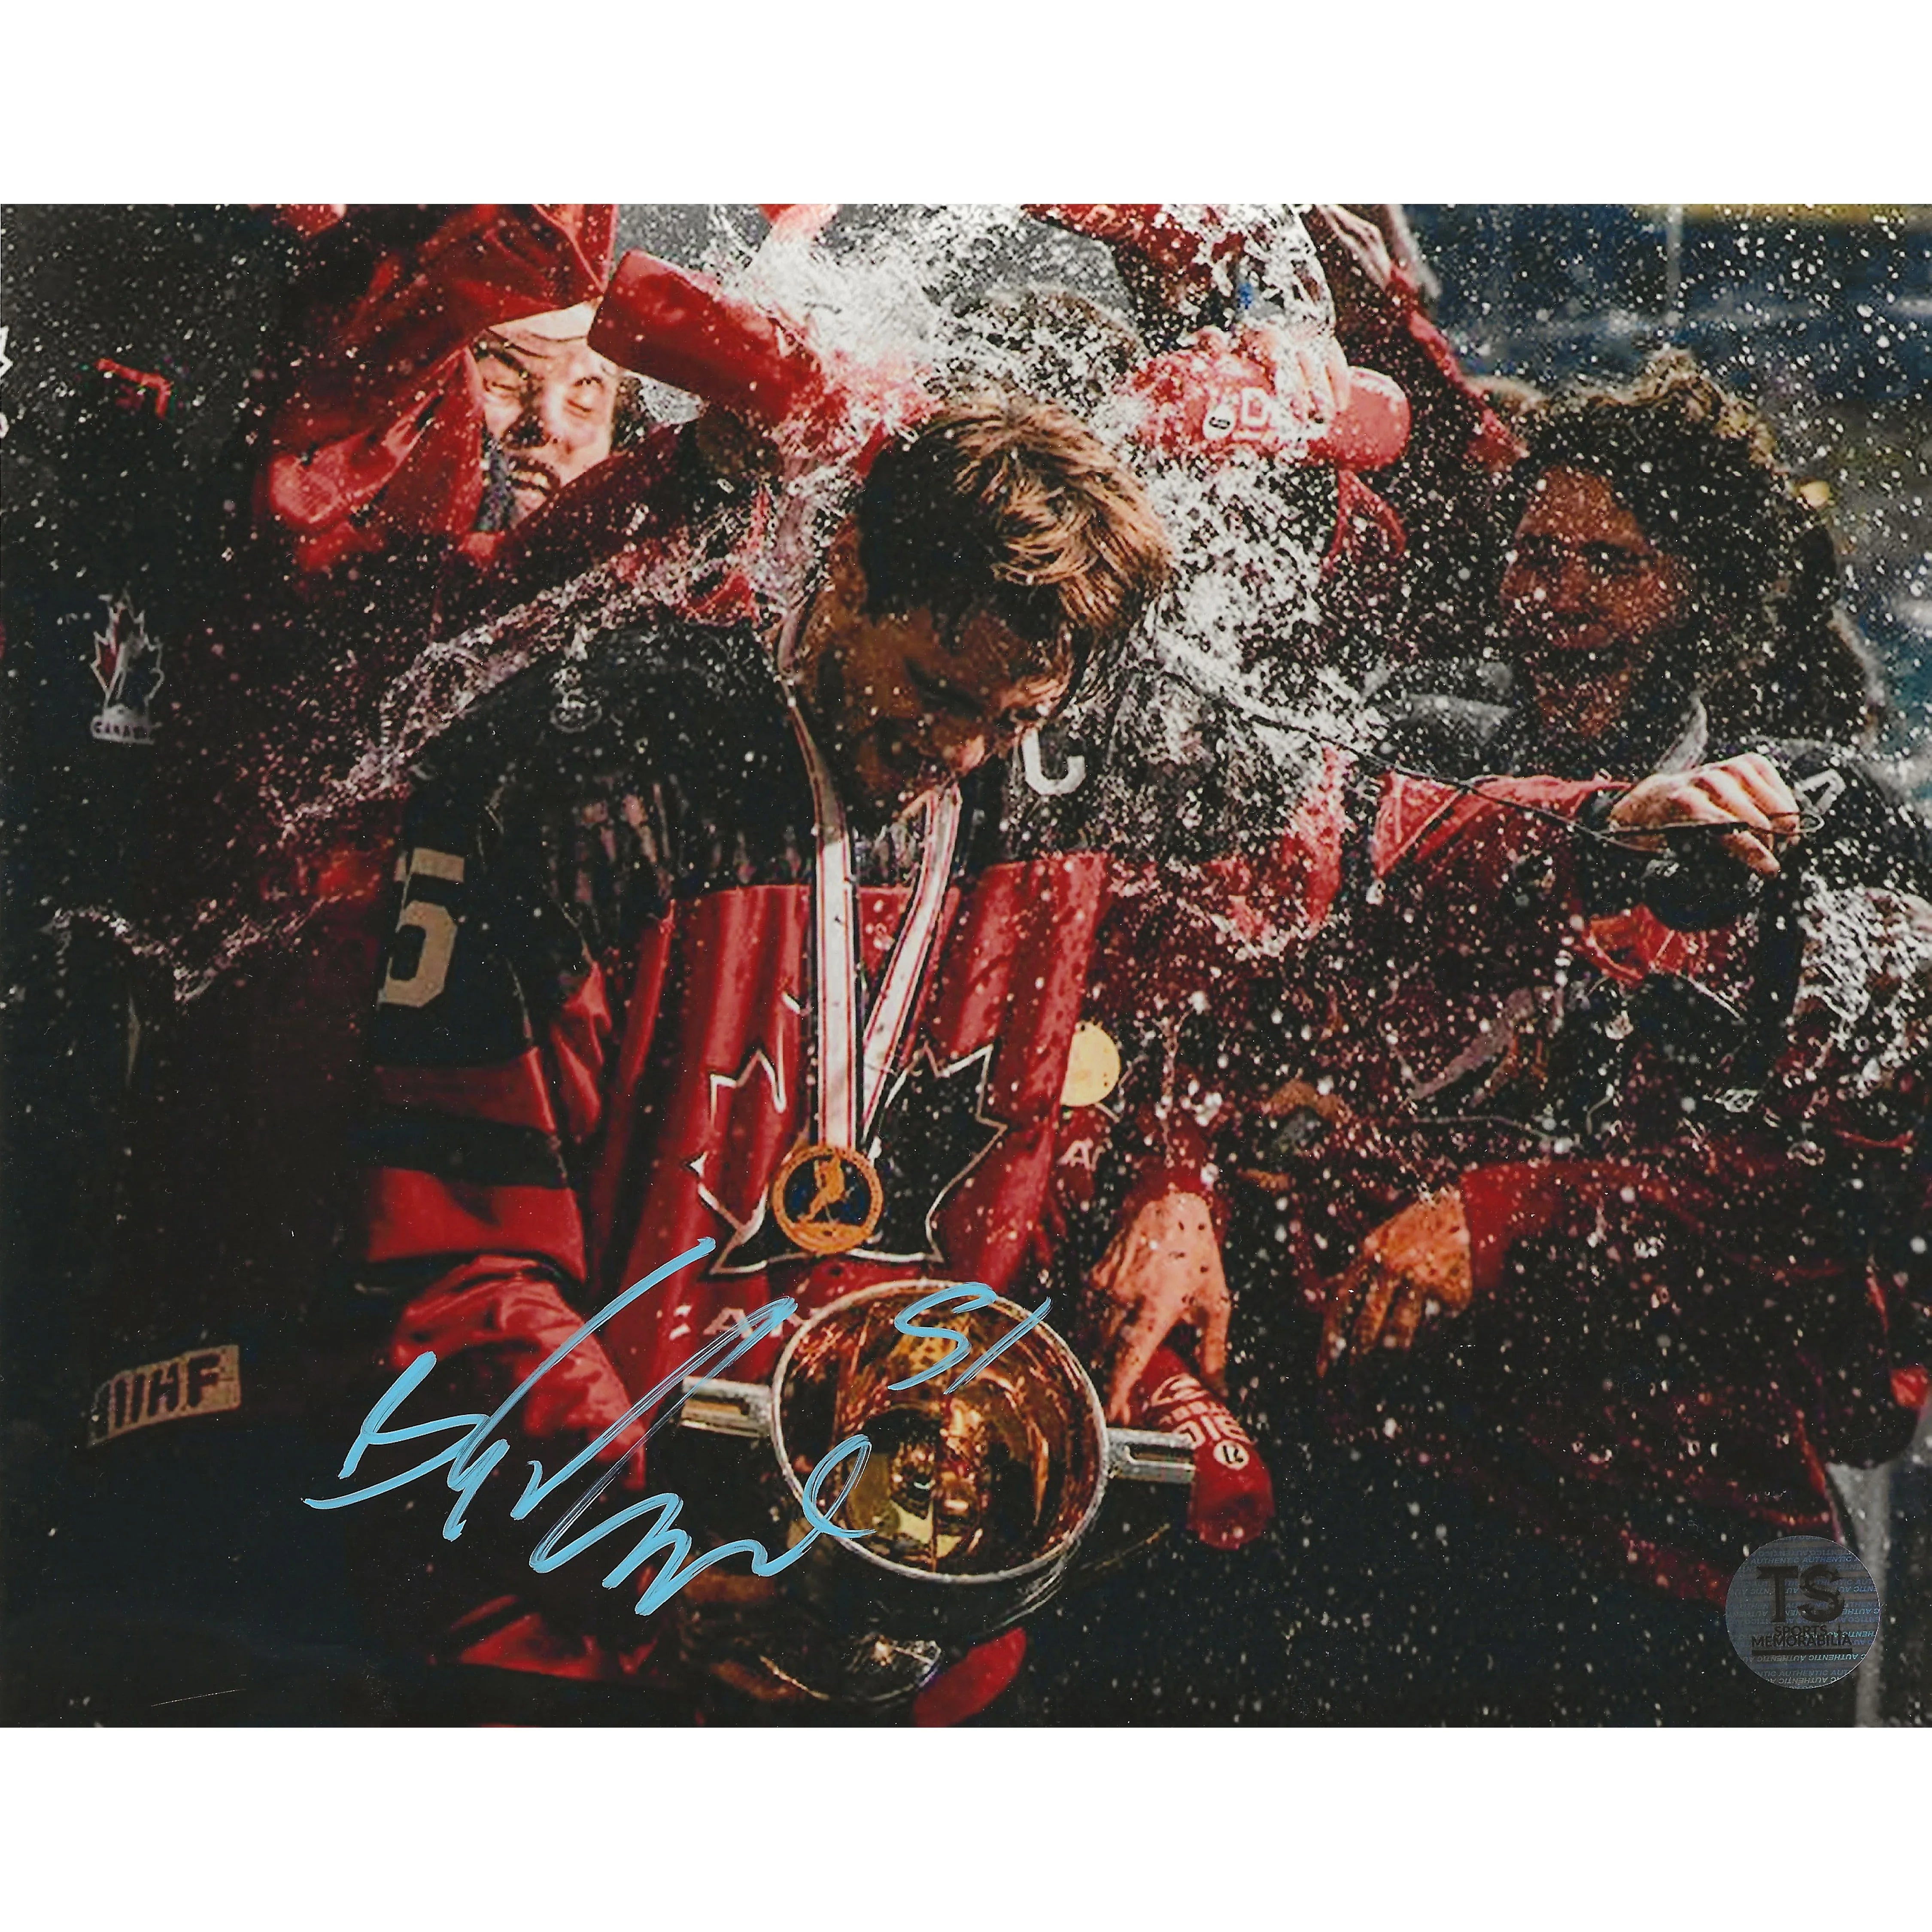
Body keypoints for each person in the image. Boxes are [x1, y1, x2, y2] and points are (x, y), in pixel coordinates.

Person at [337, 391, 1180, 1716]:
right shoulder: (582, 776)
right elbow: (462, 1253)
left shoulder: (1063, 781)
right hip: (558, 1626)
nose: (957, 752)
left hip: (905, 1641)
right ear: (845, 563)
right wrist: (639, 1551)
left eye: (1009, 717)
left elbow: (1278, 920)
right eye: (935, 688)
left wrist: (1174, 1179)